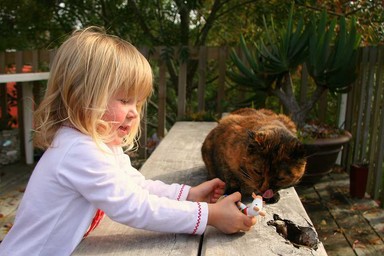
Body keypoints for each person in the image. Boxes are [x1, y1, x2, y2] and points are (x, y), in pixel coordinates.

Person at [0, 27, 256, 255]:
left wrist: (188, 195)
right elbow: (134, 206)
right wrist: (209, 215)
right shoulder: (78, 150)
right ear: (82, 96)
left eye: (138, 102)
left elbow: (135, 186)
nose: (134, 112)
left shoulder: (98, 145)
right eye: (124, 100)